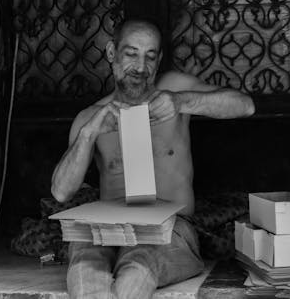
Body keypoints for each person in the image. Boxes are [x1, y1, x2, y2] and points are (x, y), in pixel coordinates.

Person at [51, 18, 255, 299]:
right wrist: (88, 134)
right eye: (131, 54)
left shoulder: (174, 90)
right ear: (112, 53)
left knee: (138, 265)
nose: (140, 67)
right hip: (110, 229)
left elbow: (245, 105)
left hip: (170, 229)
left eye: (150, 56)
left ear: (158, 60)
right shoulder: (91, 118)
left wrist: (182, 102)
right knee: (85, 265)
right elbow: (61, 192)